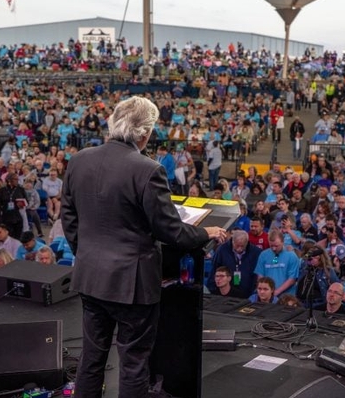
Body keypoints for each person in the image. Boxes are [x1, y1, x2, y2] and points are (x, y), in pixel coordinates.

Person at [60, 96, 227, 398]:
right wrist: (206, 233)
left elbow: (69, 219)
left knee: (91, 357)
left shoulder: (79, 160)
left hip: (90, 276)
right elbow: (169, 229)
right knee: (134, 363)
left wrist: (85, 253)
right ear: (146, 132)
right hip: (132, 285)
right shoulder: (148, 170)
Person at [206, 229, 260, 299]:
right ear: (232, 241)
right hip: (226, 294)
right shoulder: (222, 250)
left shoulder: (256, 252)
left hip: (248, 293)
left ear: (247, 242)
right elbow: (214, 270)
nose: (239, 249)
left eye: (242, 246)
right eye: (237, 246)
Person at [254, 229, 300, 297]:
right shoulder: (263, 255)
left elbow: (292, 279)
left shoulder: (291, 256)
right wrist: (263, 291)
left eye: (276, 246)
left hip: (286, 297)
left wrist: (275, 292)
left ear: (283, 242)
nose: (274, 249)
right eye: (271, 246)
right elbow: (260, 276)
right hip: (267, 296)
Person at [0, 173, 28, 239]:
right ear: (9, 180)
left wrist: (22, 204)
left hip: (17, 215)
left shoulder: (20, 189)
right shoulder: (1, 191)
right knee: (8, 237)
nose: (17, 181)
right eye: (15, 179)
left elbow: (26, 201)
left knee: (17, 237)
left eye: (17, 179)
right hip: (6, 216)